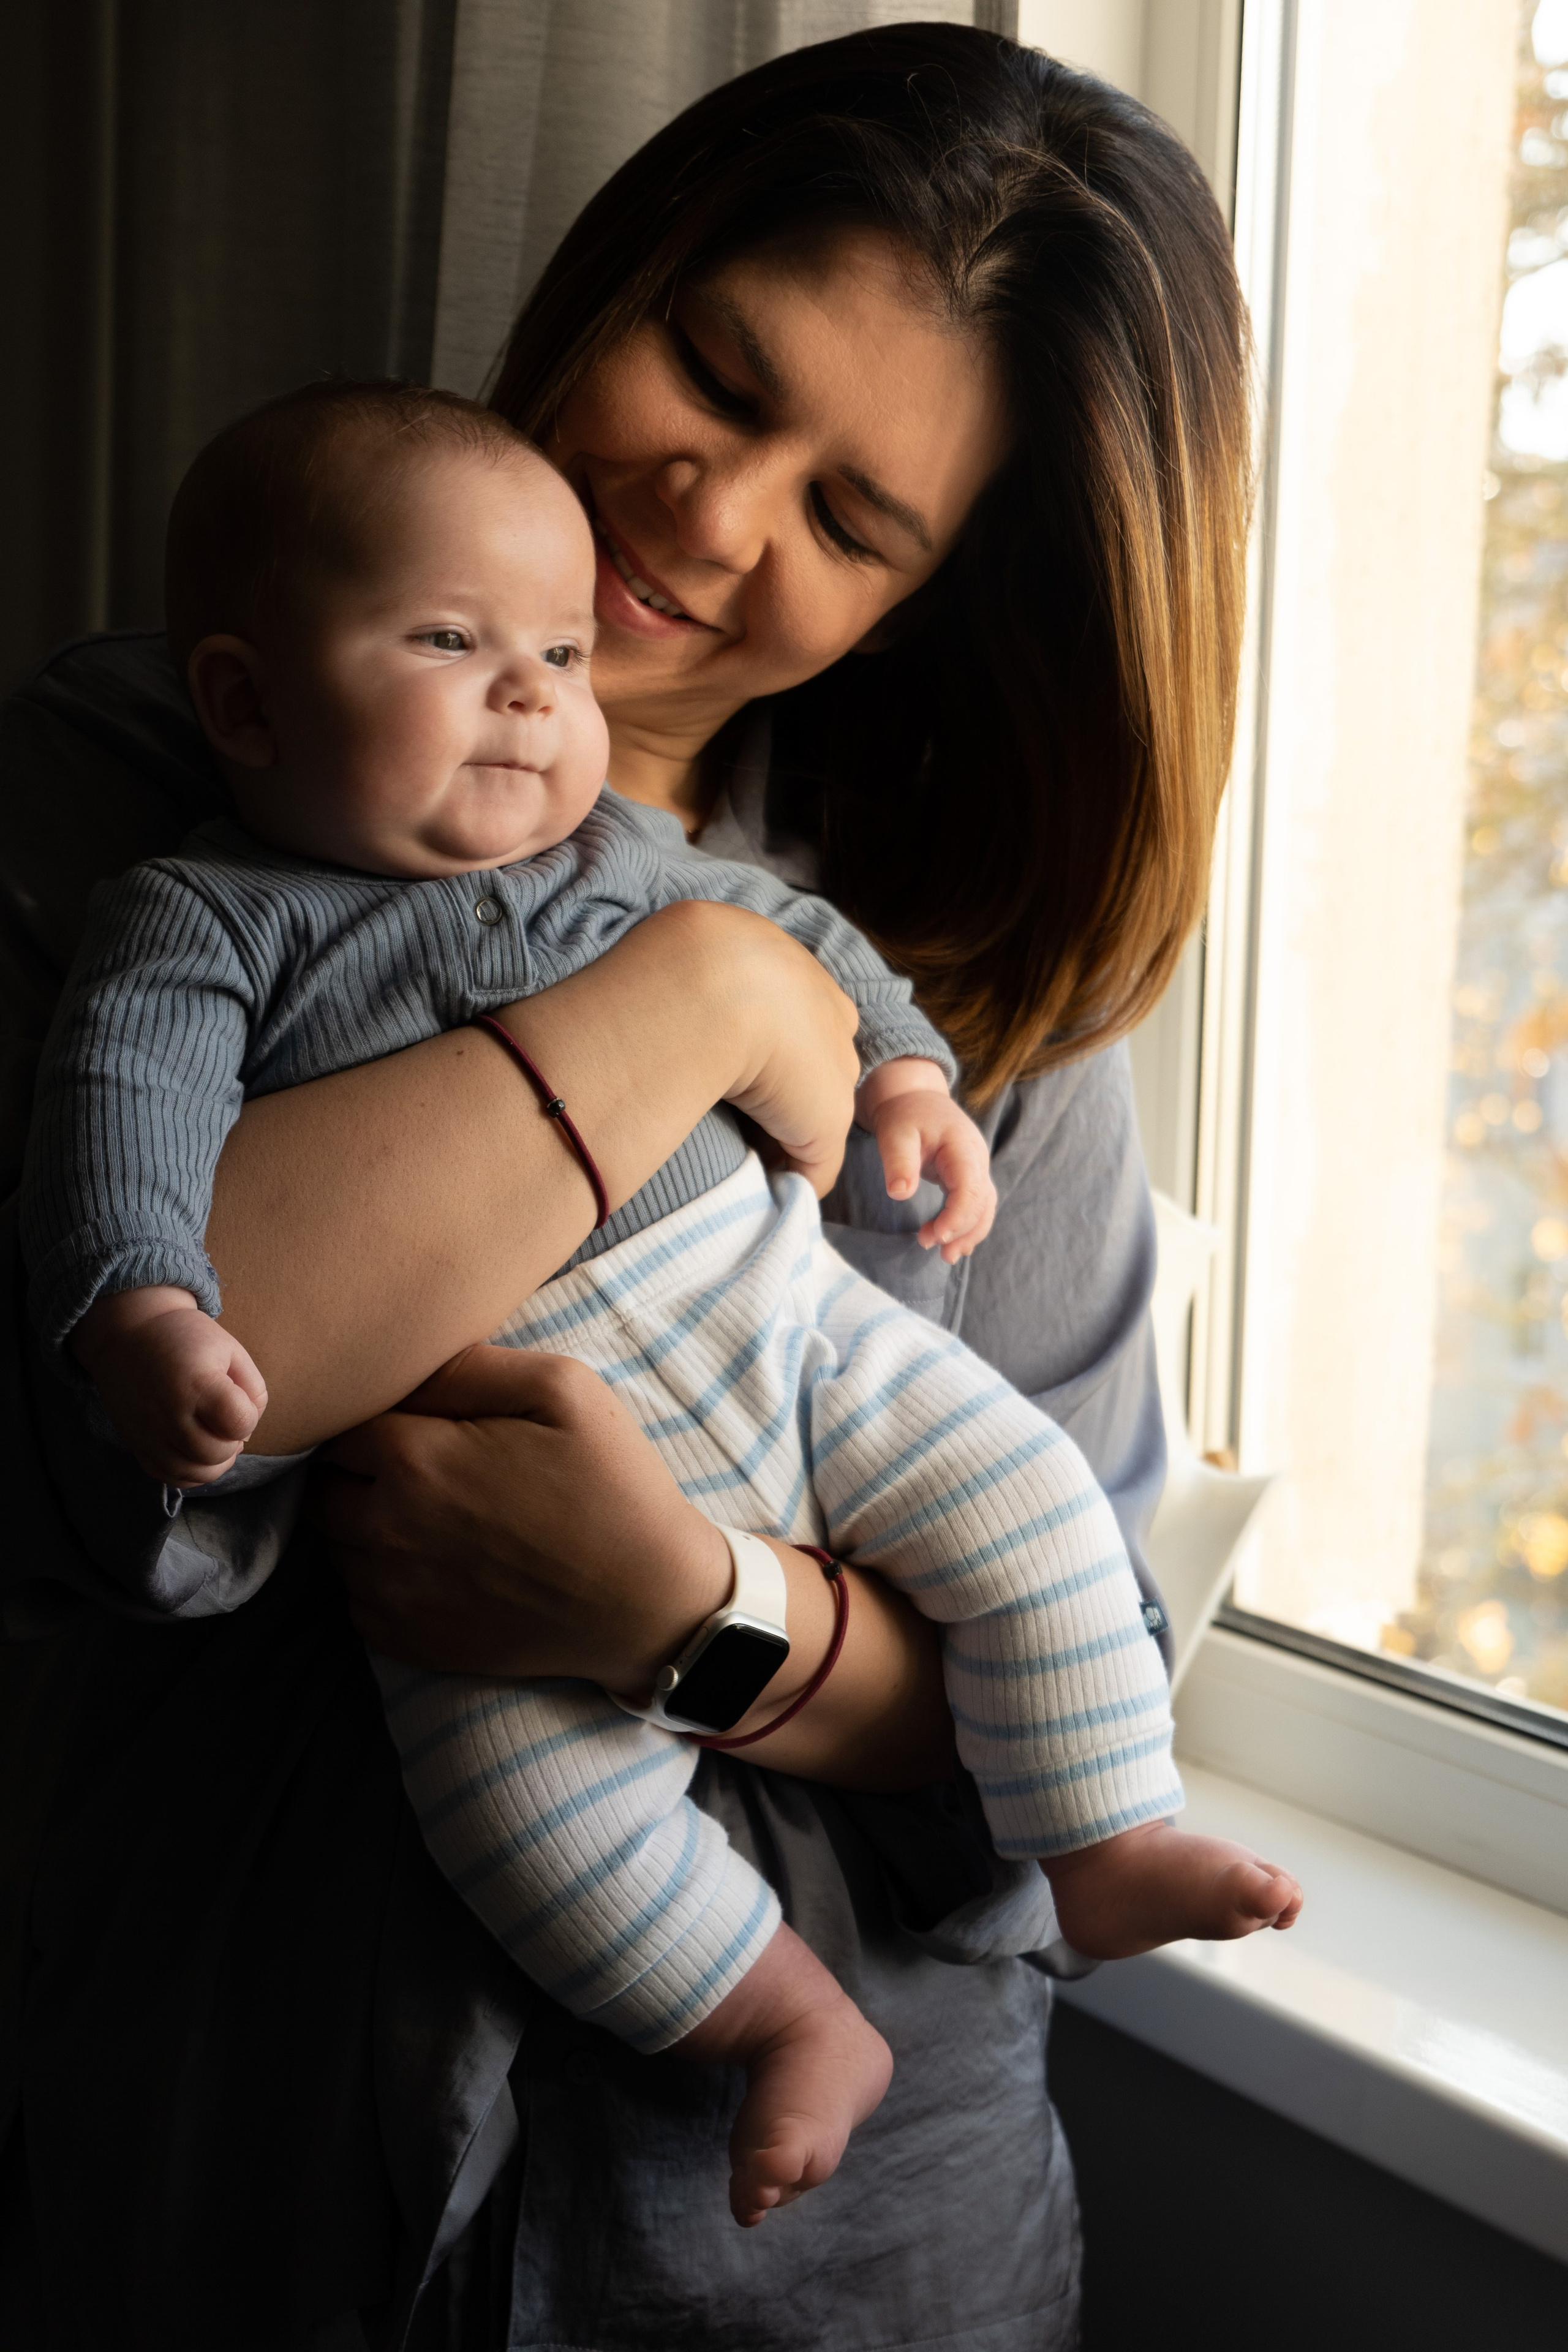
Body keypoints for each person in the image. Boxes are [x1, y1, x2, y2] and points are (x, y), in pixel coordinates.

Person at [0, 25, 1256, 2350]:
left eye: (851, 518)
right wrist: (686, 1003)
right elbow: (135, 1420)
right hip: (256, 2183)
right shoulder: (154, 774)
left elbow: (1066, 1715)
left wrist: (689, 1613)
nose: (707, 513)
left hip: (824, 2263)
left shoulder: (984, 1001)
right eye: (711, 366)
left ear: (928, 600)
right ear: (620, 271)